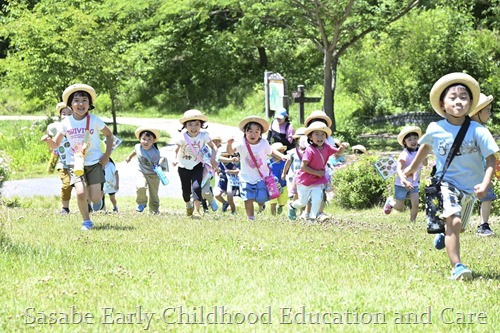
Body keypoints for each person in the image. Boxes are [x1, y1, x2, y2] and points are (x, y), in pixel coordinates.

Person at [404, 72, 498, 280]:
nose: (458, 101)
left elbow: (491, 160)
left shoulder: (478, 130)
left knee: (459, 227)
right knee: (453, 222)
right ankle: (457, 266)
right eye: (452, 97)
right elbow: (426, 147)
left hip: (471, 189)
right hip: (447, 183)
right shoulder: (435, 128)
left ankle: (443, 235)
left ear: (471, 103)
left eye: (463, 97)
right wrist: (412, 168)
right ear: (442, 103)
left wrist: (484, 184)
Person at [41, 84, 113, 231]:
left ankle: (98, 195)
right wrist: (48, 141)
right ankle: (86, 221)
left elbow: (109, 135)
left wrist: (106, 156)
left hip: (94, 163)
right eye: (76, 100)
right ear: (70, 104)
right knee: (80, 193)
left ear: (89, 104)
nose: (80, 103)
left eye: (84, 100)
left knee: (95, 198)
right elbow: (56, 144)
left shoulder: (94, 120)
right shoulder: (65, 123)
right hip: (76, 163)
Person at [227, 116, 287, 221]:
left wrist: (281, 156)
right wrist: (229, 144)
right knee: (247, 198)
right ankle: (251, 218)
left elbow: (271, 151)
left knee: (261, 198)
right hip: (246, 177)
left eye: (256, 131)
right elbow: (231, 152)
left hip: (262, 177)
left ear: (260, 133)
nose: (253, 134)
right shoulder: (241, 143)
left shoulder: (264, 143)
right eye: (250, 131)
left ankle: (261, 204)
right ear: (245, 132)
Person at [288, 121, 341, 222]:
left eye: (322, 134)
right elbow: (303, 167)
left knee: (317, 199)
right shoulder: (309, 150)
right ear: (310, 137)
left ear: (326, 137)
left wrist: (342, 148)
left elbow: (338, 152)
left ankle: (313, 218)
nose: (320, 137)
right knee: (302, 202)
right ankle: (292, 206)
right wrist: (317, 173)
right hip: (305, 180)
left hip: (318, 180)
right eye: (317, 134)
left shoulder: (327, 147)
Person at [173, 109, 218, 217]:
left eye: (197, 124)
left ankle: (197, 211)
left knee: (197, 187)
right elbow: (176, 149)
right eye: (190, 125)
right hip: (183, 166)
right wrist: (175, 159)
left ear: (201, 125)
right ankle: (188, 205)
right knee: (186, 191)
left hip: (197, 165)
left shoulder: (204, 135)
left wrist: (213, 159)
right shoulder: (182, 137)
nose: (194, 128)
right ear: (185, 126)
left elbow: (214, 147)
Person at [383, 126, 428, 222]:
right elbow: (398, 169)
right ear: (404, 142)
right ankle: (390, 202)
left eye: (415, 138)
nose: (413, 141)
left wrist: (423, 153)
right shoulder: (405, 154)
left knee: (415, 203)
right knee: (399, 207)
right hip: (401, 184)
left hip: (414, 183)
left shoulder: (420, 152)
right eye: (409, 139)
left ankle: (412, 222)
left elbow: (425, 164)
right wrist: (404, 181)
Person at [469, 93, 495, 236]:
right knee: (487, 197)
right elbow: (491, 154)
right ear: (477, 112)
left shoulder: (463, 128)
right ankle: (483, 225)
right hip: (482, 172)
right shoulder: (481, 130)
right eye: (487, 110)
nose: (490, 114)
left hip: (466, 171)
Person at [125, 127, 166, 214]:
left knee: (154, 194)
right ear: (139, 139)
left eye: (149, 139)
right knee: (140, 187)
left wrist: (160, 162)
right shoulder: (137, 146)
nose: (146, 142)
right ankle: (141, 203)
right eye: (143, 139)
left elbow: (157, 165)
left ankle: (154, 210)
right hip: (142, 172)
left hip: (153, 175)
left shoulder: (155, 153)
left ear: (154, 140)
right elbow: (135, 151)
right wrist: (129, 157)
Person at [43, 102, 74, 214]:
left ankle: (87, 205)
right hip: (63, 162)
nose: (66, 115)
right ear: (60, 115)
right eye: (64, 113)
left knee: (83, 185)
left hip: (78, 162)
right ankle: (65, 208)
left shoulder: (77, 126)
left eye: (69, 113)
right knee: (66, 184)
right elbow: (51, 140)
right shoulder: (55, 127)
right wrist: (49, 141)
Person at [268, 142, 288, 215]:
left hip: (283, 183)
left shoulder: (285, 162)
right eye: (278, 151)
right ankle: (273, 215)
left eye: (282, 151)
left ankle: (280, 206)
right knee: (273, 202)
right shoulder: (269, 162)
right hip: (272, 185)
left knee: (283, 201)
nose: (281, 153)